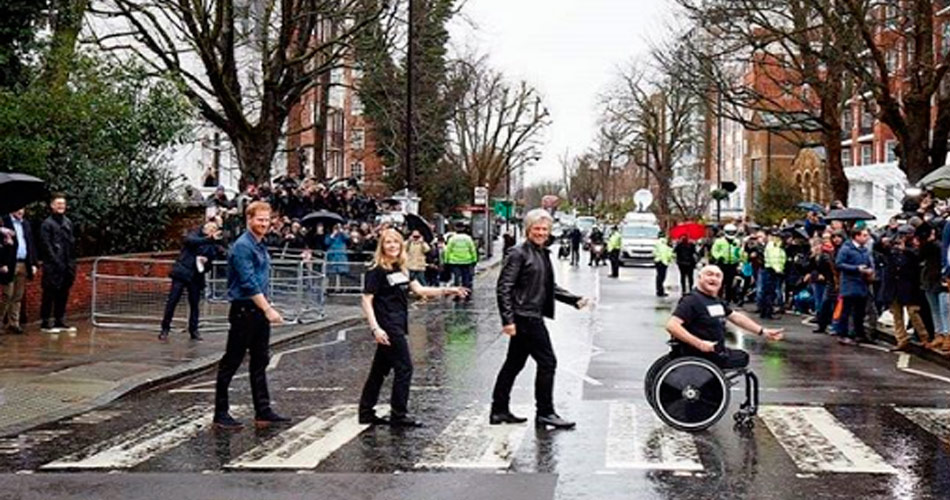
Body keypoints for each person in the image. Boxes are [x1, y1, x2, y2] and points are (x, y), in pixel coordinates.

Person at [491, 209, 591, 430]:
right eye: (536, 228)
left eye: (545, 229)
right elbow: (504, 288)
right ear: (528, 230)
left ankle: (499, 410)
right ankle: (545, 412)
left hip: (530, 315)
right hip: (525, 317)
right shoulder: (518, 253)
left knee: (513, 364)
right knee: (548, 362)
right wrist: (508, 320)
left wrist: (574, 300)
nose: (541, 232)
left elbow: (547, 286)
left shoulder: (541, 252)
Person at [358, 229, 468, 427]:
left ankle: (366, 411)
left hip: (399, 323)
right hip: (387, 326)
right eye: (388, 242)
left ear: (401, 246)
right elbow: (366, 300)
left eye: (396, 242)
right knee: (404, 368)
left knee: (379, 370)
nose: (392, 246)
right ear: (381, 246)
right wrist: (375, 329)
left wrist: (447, 289)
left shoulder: (401, 268)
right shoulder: (377, 270)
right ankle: (398, 414)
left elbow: (419, 290)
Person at [213, 201, 290, 430]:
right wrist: (267, 309)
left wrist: (266, 306)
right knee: (231, 362)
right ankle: (220, 413)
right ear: (249, 219)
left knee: (260, 361)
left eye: (267, 220)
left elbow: (260, 280)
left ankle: (263, 411)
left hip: (258, 311)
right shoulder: (243, 246)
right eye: (260, 219)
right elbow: (248, 283)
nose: (264, 224)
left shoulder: (259, 244)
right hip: (244, 311)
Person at [665, 265, 783, 370]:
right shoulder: (691, 300)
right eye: (709, 275)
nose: (713, 279)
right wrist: (700, 344)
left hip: (715, 351)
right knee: (742, 357)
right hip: (701, 354)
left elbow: (736, 317)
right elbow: (672, 325)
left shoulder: (715, 300)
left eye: (718, 276)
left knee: (741, 355)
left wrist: (762, 331)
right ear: (699, 278)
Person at [159, 221, 226, 341]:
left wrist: (206, 263)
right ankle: (165, 328)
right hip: (182, 273)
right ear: (205, 229)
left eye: (214, 229)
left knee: (194, 304)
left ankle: (194, 330)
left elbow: (212, 261)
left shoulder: (212, 245)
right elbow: (190, 241)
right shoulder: (195, 234)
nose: (212, 231)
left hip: (196, 276)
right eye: (210, 229)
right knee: (172, 301)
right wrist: (209, 239)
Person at [38, 194, 77, 333]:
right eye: (58, 204)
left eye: (63, 204)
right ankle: (45, 322)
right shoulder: (47, 224)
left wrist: (71, 264)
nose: (61, 206)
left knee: (63, 294)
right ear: (52, 206)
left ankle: (59, 320)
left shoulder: (67, 222)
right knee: (49, 294)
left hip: (67, 265)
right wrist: (55, 261)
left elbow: (71, 244)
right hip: (52, 266)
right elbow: (46, 245)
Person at [0, 208, 38, 334]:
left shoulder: (25, 224)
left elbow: (30, 244)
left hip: (23, 263)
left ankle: (13, 322)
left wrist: (33, 263)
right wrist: (2, 263)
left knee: (18, 295)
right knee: (7, 295)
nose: (21, 211)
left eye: (23, 209)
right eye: (18, 209)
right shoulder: (3, 222)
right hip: (9, 264)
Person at [835, 227, 875, 345]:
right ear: (856, 236)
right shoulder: (846, 249)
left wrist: (870, 270)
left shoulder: (865, 250)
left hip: (862, 285)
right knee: (846, 312)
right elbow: (839, 264)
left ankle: (859, 334)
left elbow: (869, 263)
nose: (866, 237)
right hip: (849, 284)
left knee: (860, 312)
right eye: (864, 235)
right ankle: (842, 334)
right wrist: (856, 268)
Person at [444, 223, 478, 301]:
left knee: (457, 279)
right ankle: (467, 295)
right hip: (467, 261)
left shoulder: (452, 239)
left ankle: (457, 295)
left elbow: (448, 250)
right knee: (466, 279)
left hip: (454, 262)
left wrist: (446, 261)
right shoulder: (468, 238)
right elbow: (472, 250)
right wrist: (474, 260)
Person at [711, 224, 742, 304]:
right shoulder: (719, 241)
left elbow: (739, 251)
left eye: (733, 232)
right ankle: (719, 298)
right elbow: (714, 251)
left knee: (730, 283)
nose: (731, 234)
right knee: (721, 282)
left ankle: (727, 299)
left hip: (733, 264)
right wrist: (718, 257)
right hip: (722, 264)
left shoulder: (737, 241)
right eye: (729, 232)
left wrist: (739, 259)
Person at [758, 232, 786, 320]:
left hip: (770, 270)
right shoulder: (773, 246)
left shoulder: (773, 246)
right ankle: (768, 313)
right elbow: (774, 259)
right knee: (770, 293)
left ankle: (764, 312)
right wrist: (778, 269)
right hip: (772, 271)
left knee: (766, 292)